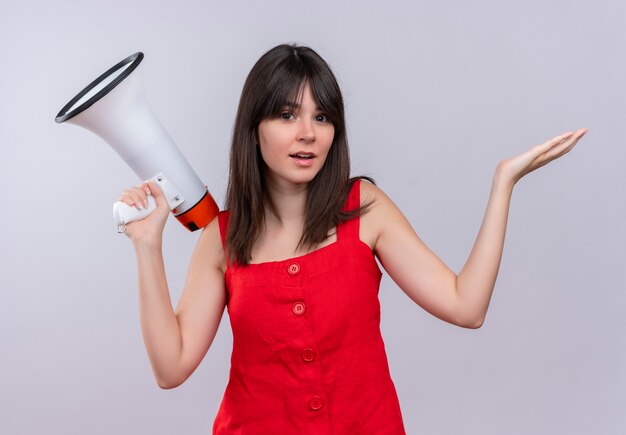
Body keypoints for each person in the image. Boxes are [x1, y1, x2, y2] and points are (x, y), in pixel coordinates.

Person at [117, 44, 588, 434]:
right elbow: (171, 367)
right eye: (286, 114)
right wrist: (147, 245)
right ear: (253, 128)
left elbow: (467, 306)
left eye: (322, 117)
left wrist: (503, 183)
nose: (308, 134)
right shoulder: (223, 238)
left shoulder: (365, 207)